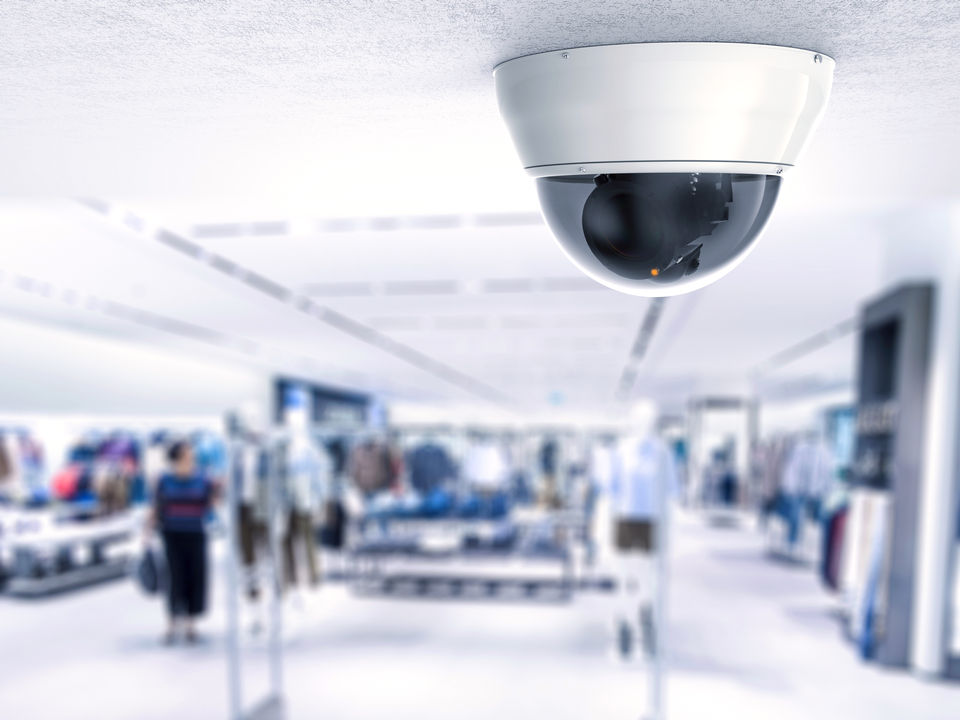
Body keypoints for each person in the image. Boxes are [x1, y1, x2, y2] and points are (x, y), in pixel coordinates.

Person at [149, 441, 216, 644]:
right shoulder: (164, 480)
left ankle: (190, 623)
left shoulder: (203, 479)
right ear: (176, 458)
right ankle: (171, 622)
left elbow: (210, 505)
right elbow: (156, 506)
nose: (191, 457)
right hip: (172, 534)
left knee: (195, 576)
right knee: (173, 578)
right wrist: (147, 531)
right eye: (187, 454)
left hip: (196, 533)